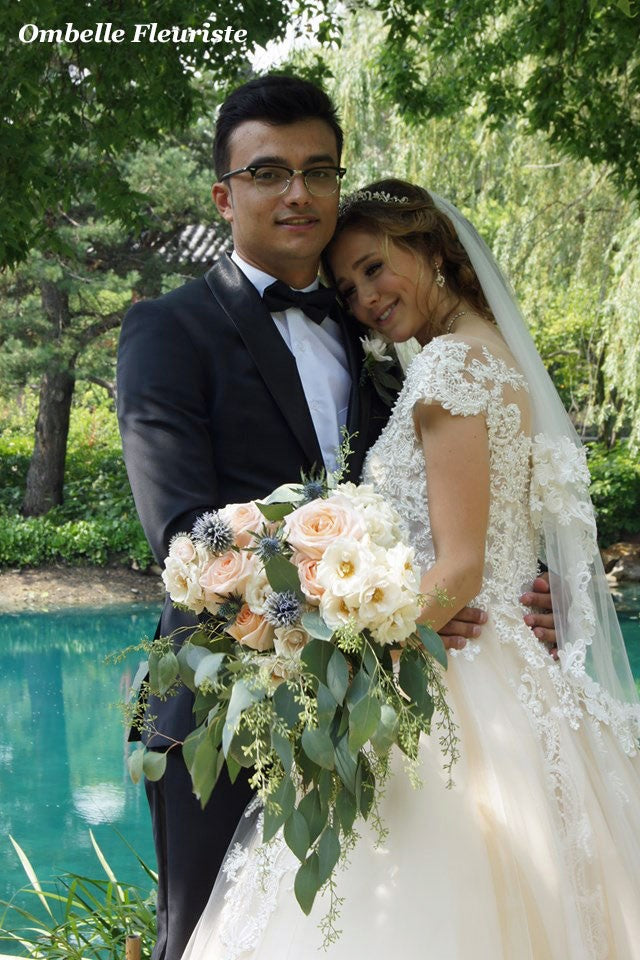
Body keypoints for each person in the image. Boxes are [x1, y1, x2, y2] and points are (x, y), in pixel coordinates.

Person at [116, 75, 557, 960]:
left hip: (395, 711)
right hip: (229, 707)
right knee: (212, 937)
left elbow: (457, 492)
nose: (298, 193)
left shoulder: (382, 330)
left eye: (319, 171)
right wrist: (376, 615)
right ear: (224, 195)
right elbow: (188, 536)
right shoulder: (168, 329)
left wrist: (526, 590)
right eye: (268, 172)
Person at [178, 181, 640, 960]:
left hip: (453, 666)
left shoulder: (450, 368)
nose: (364, 299)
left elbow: (460, 565)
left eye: (374, 268)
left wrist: (342, 662)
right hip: (501, 665)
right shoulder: (491, 354)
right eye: (347, 288)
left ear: (430, 249)